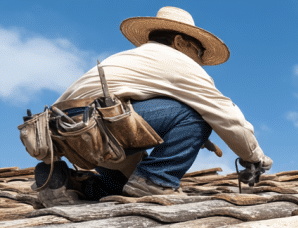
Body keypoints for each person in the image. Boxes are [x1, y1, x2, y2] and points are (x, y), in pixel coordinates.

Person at [31, 6, 272, 206]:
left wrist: (137, 177)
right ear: (180, 42)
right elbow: (225, 115)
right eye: (199, 52)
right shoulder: (178, 61)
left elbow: (124, 122)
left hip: (65, 134)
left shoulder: (128, 58)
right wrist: (255, 157)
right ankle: (157, 181)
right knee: (198, 115)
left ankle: (70, 183)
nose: (200, 61)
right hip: (100, 126)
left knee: (121, 187)